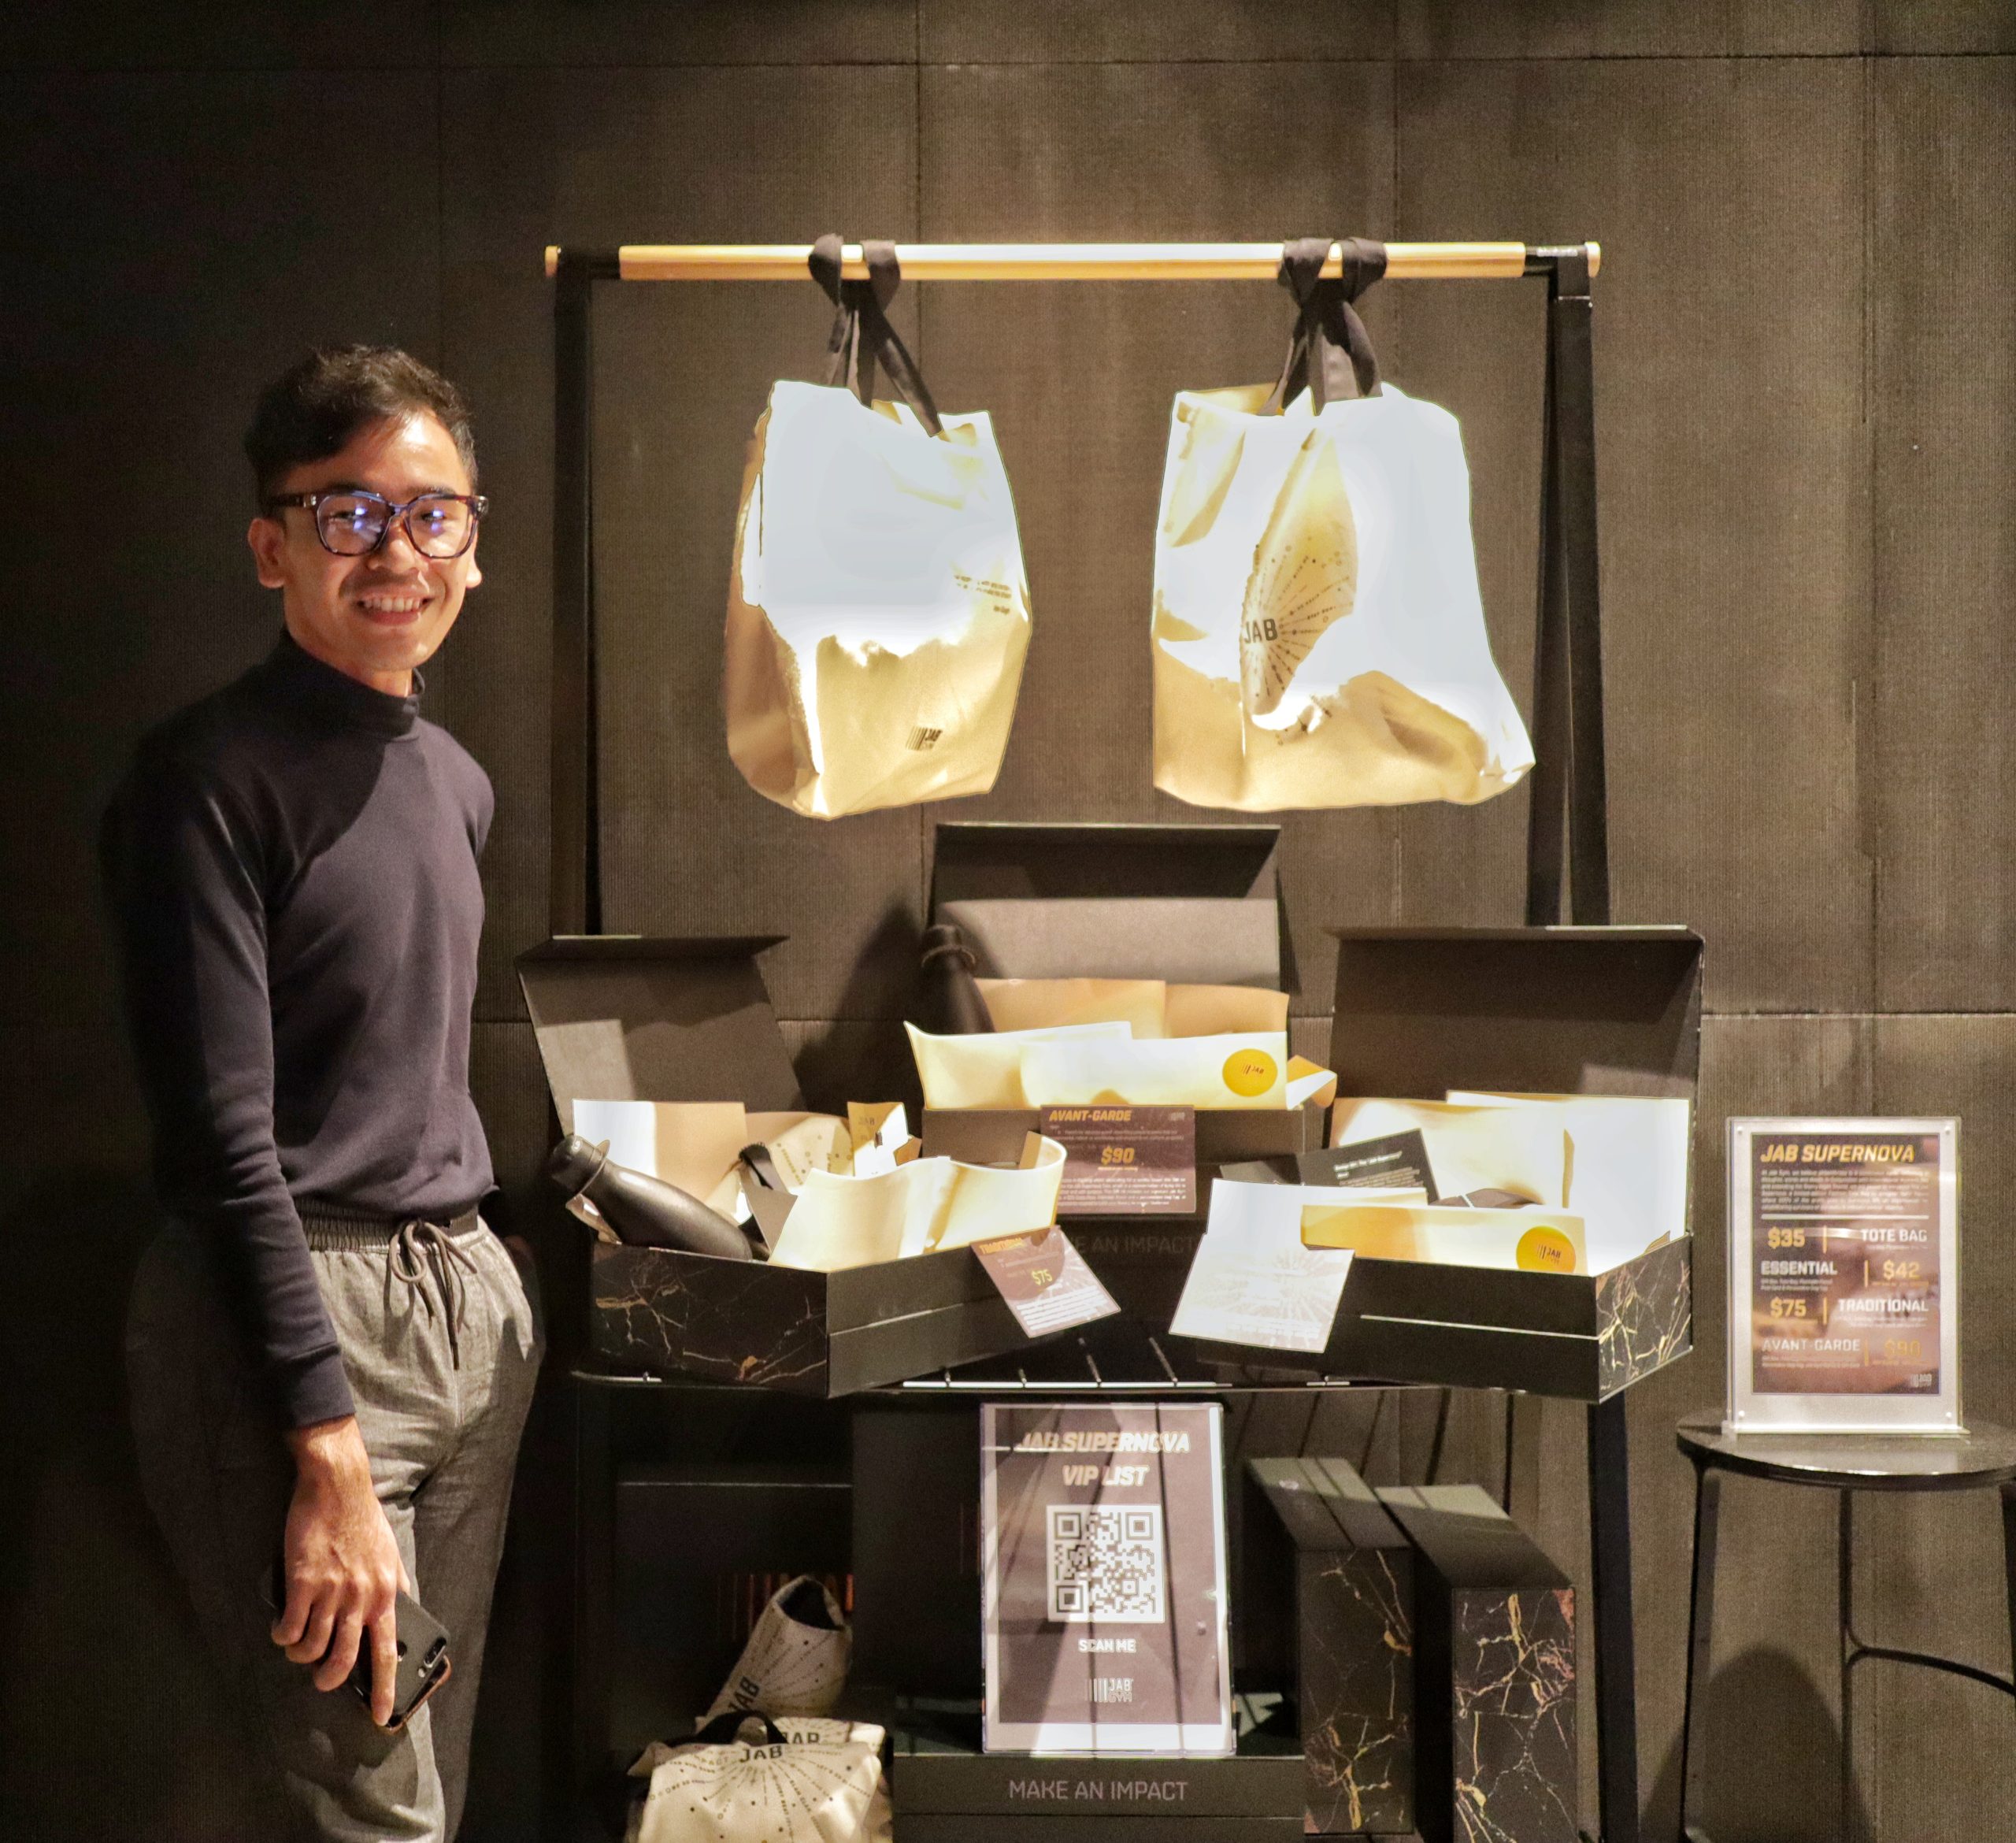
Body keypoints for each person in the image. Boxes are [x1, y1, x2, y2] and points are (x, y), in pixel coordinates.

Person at [103, 347, 541, 1843]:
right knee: (365, 1809)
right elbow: (227, 1140)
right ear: (270, 546)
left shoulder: (456, 779)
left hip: (461, 1302)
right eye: (348, 515)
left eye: (431, 515)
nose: (395, 553)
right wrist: (325, 1436)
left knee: (430, 1782)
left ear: (473, 543)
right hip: (301, 1332)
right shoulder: (206, 780)